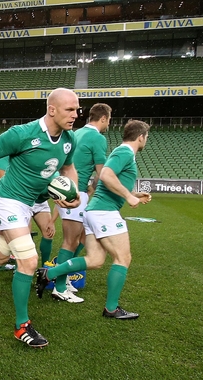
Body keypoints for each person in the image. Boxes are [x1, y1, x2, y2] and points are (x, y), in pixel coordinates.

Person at [0, 88, 81, 348]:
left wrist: (74, 192)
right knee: (28, 260)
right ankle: (21, 326)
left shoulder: (69, 140)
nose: (75, 114)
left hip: (30, 204)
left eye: (77, 109)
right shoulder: (22, 134)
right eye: (70, 109)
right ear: (52, 109)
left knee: (0, 256)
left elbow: (69, 167)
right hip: (6, 201)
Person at [36, 120, 151, 320]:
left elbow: (109, 181)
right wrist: (128, 197)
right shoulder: (124, 152)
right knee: (123, 258)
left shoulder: (123, 153)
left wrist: (134, 193)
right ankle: (111, 309)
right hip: (104, 212)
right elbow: (105, 175)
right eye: (146, 137)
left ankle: (49, 274)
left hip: (95, 211)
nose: (146, 141)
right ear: (140, 137)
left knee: (95, 260)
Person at [50, 103, 112, 296]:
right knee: (70, 241)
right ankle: (58, 286)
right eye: (109, 119)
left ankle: (63, 276)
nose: (109, 123)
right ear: (103, 118)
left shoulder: (75, 134)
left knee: (82, 238)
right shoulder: (97, 138)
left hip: (69, 190)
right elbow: (103, 173)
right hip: (75, 194)